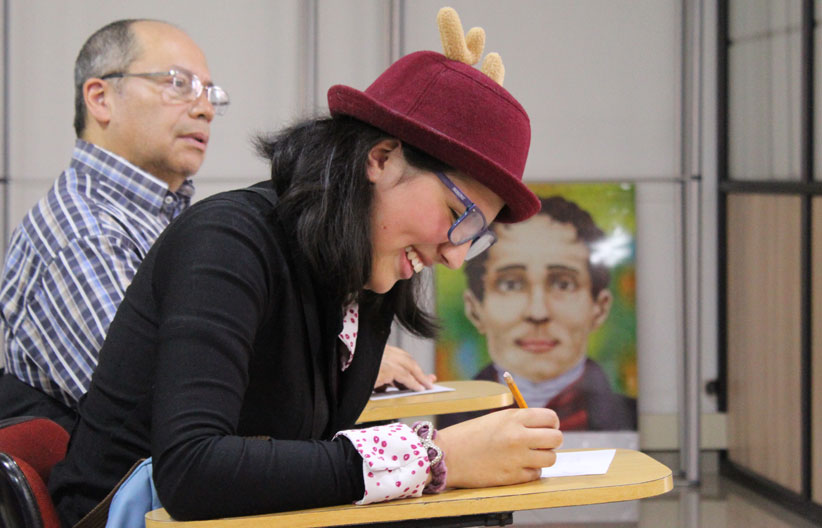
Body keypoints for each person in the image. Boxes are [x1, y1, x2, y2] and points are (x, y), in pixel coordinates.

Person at [48, 42, 564, 524]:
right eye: (458, 213)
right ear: (381, 159)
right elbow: (190, 470)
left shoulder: (365, 279)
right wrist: (434, 456)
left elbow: (313, 446)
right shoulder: (228, 241)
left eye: (475, 236)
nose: (454, 255)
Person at [0, 19, 228, 431]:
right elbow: (166, 406)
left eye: (209, 93)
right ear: (100, 98)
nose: (205, 109)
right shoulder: (84, 232)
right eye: (178, 84)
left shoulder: (164, 219)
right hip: (134, 491)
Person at [439, 196, 637, 431]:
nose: (537, 312)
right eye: (511, 284)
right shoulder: (442, 425)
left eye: (563, 284)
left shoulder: (628, 418)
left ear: (600, 307)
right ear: (475, 309)